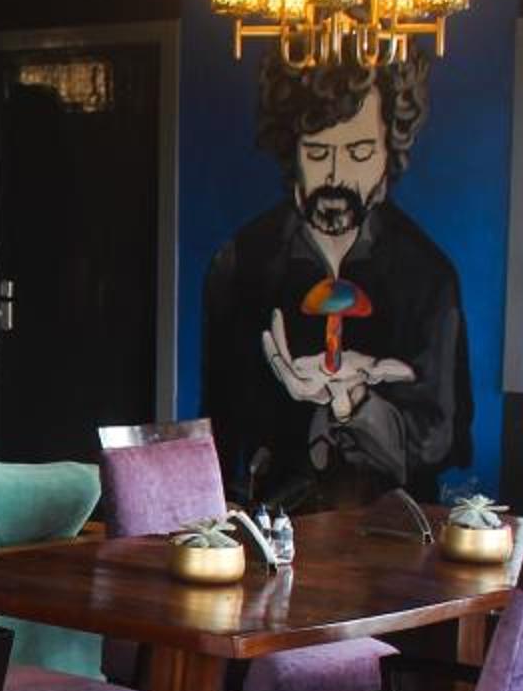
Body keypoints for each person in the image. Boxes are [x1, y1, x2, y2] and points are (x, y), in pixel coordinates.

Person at [200, 54, 471, 508]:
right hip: (272, 522)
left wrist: (354, 400)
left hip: (392, 529)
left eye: (359, 153)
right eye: (317, 153)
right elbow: (219, 422)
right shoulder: (240, 262)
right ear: (292, 153)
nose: (335, 176)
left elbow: (439, 438)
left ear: (389, 152)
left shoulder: (427, 274)